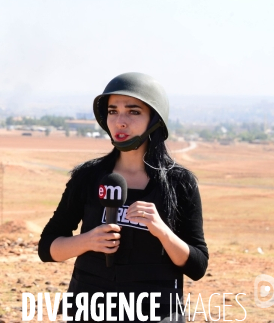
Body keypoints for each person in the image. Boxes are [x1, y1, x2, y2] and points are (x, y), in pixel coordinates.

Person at [38, 72, 208, 322]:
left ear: (155, 119)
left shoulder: (179, 183)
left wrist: (162, 231)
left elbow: (197, 266)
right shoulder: (87, 177)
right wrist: (87, 241)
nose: (120, 121)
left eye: (134, 112)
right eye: (113, 111)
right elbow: (47, 248)